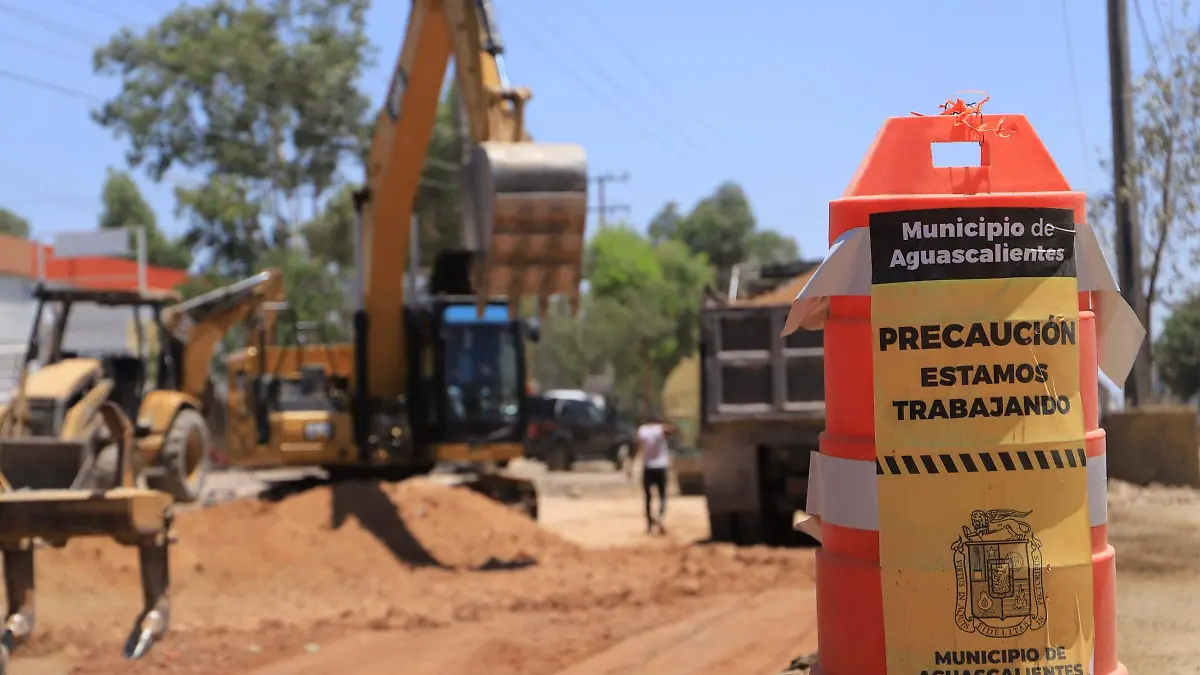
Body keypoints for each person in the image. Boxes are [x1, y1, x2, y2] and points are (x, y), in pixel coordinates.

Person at [632, 414, 677, 535]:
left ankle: (649, 524)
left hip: (648, 466)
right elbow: (672, 430)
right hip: (661, 466)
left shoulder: (642, 430)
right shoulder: (660, 428)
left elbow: (638, 446)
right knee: (662, 495)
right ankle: (660, 516)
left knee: (648, 496)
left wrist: (634, 460)